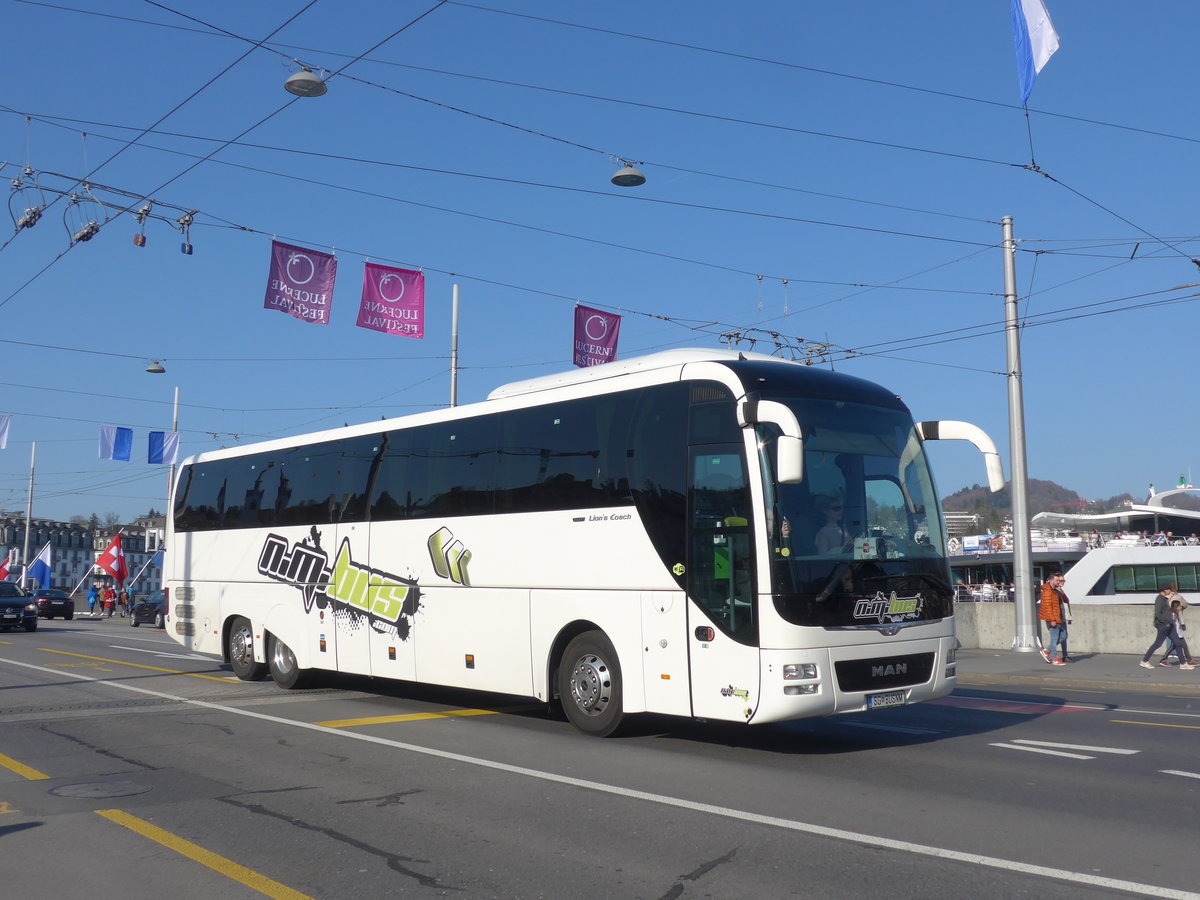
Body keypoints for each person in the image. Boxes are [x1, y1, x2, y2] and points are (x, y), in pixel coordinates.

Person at [1139, 585, 1191, 669]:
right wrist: (1165, 623)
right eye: (1169, 590)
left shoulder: (1164, 599)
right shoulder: (1159, 599)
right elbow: (1158, 613)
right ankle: (1144, 661)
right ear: (1164, 590)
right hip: (1163, 625)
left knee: (1178, 643)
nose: (1170, 591)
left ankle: (1183, 663)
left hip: (1170, 624)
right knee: (1157, 644)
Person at [1038, 571, 1070, 665]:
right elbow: (1048, 607)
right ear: (1051, 580)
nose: (1059, 582)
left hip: (1058, 617)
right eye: (1057, 580)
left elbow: (1066, 601)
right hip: (1053, 618)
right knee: (1054, 638)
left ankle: (1047, 651)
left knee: (1064, 636)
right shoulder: (1048, 591)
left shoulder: (1055, 590)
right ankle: (1055, 658)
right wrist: (1052, 619)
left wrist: (1061, 592)